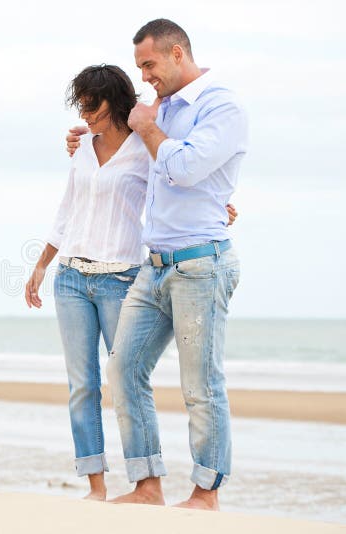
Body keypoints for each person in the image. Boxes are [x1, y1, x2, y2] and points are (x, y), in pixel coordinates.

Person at [26, 64, 237, 501]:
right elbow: (67, 209)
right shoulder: (82, 145)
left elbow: (177, 185)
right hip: (70, 277)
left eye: (92, 104)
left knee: (126, 377)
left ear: (115, 102)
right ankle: (96, 486)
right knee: (82, 385)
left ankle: (146, 483)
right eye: (80, 104)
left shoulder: (145, 146)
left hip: (120, 278)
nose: (85, 113)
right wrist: (42, 264)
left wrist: (220, 205)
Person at [67, 19, 247, 511]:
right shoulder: (161, 107)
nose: (144, 76)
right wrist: (92, 136)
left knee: (201, 384)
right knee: (123, 369)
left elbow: (186, 168)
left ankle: (205, 494)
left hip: (200, 265)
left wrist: (147, 127)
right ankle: (147, 486)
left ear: (177, 53)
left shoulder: (220, 106)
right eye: (140, 66)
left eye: (149, 64)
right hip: (155, 265)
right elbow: (143, 166)